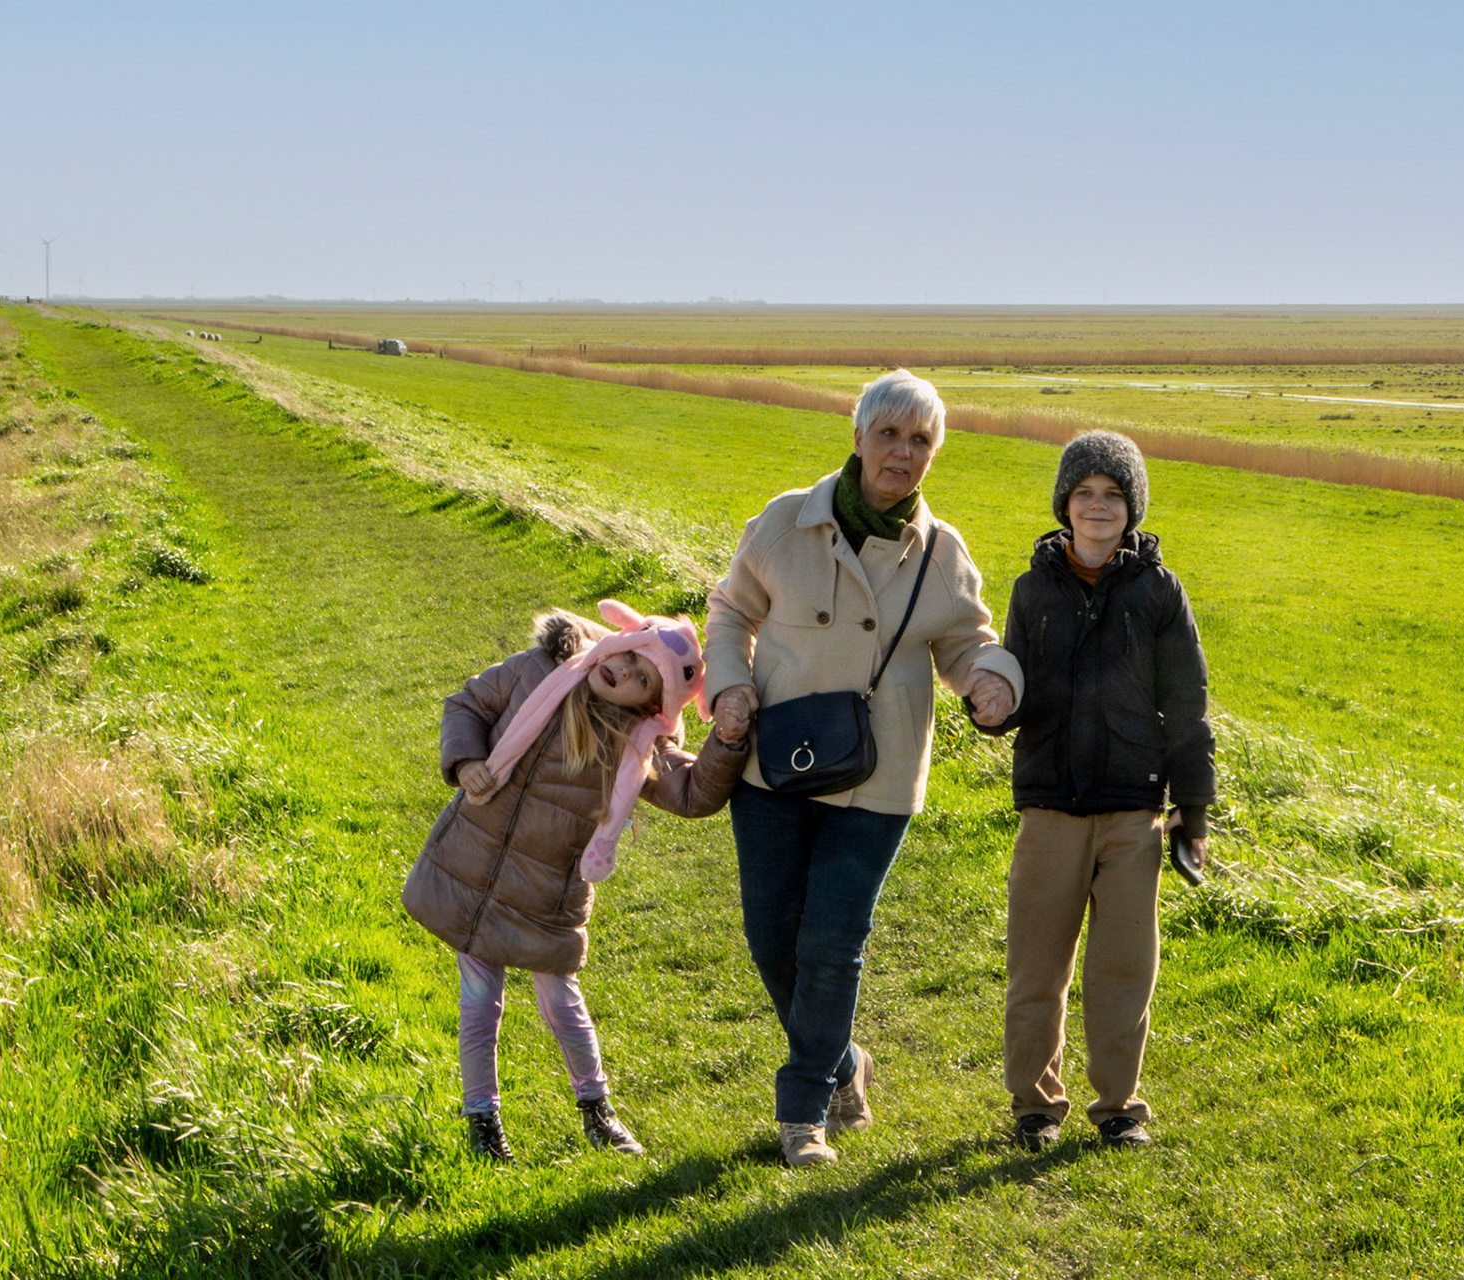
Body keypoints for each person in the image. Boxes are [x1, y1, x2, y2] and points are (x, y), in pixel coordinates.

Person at [704, 368, 1024, 1167]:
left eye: (921, 441)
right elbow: (730, 611)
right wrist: (730, 687)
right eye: (890, 435)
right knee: (772, 935)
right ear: (857, 438)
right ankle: (846, 1061)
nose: (904, 453)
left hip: (878, 780)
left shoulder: (943, 553)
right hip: (775, 764)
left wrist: (993, 678)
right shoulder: (786, 522)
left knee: (833, 943)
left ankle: (805, 1109)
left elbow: (966, 640)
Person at [402, 600, 750, 1163]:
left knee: (562, 1004)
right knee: (479, 1002)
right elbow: (468, 703)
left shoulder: (636, 742)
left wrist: (728, 743)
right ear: (618, 640)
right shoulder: (537, 671)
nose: (627, 673)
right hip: (472, 866)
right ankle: (482, 1119)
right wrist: (465, 761)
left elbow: (692, 793)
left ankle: (597, 1109)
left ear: (652, 706)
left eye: (645, 681)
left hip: (548, 894)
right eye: (633, 657)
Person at [981, 430, 1216, 1152]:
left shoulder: (1159, 592)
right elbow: (1012, 688)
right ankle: (1034, 1105)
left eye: (1113, 495)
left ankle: (1118, 1107)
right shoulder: (1031, 590)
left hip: (1134, 810)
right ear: (1065, 503)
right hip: (1050, 806)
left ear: (1132, 507)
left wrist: (1193, 809)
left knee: (1123, 968)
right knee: (1036, 964)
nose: (1097, 506)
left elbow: (1188, 700)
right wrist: (988, 703)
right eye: (1084, 493)